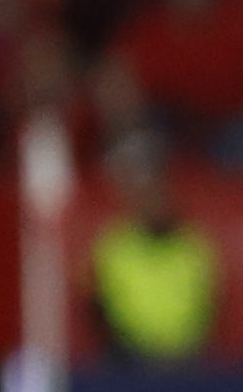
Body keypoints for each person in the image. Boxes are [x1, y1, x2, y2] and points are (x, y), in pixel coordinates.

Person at [90, 134, 216, 361]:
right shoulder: (115, 246)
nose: (154, 202)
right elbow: (100, 308)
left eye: (159, 193)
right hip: (128, 357)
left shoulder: (193, 246)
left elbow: (209, 307)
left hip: (187, 358)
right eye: (146, 194)